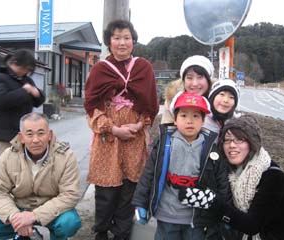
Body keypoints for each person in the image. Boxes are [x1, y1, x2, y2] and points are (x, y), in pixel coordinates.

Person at [84, 19, 159, 240]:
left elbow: (151, 104)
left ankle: (122, 233)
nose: (122, 42)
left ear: (133, 41)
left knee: (129, 190)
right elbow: (91, 107)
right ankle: (101, 232)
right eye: (116, 38)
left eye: (126, 37)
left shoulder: (143, 68)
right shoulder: (100, 70)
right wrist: (113, 129)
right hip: (107, 139)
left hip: (134, 139)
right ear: (109, 41)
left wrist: (138, 125)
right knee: (106, 191)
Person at [132, 92, 230, 240]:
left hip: (196, 218)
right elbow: (149, 174)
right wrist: (140, 203)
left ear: (203, 120)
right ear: (175, 120)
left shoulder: (210, 148)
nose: (189, 121)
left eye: (196, 116)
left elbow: (221, 180)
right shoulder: (165, 143)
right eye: (184, 116)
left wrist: (225, 211)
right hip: (167, 214)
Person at [195, 114, 284, 240]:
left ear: (252, 143)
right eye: (227, 140)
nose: (232, 145)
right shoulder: (230, 174)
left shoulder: (273, 177)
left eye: (239, 139)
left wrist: (213, 203)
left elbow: (252, 225)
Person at [0, 112, 82, 240]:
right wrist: (14, 216)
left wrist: (34, 216)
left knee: (69, 222)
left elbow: (70, 194)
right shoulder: (8, 156)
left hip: (51, 211)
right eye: (29, 134)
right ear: (21, 137)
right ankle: (23, 234)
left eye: (41, 133)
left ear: (50, 135)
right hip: (19, 207)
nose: (35, 140)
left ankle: (56, 236)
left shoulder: (65, 157)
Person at [0, 49, 45, 162]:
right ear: (16, 64)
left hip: (22, 133)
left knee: (21, 169)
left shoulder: (25, 80)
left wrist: (37, 93)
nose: (26, 72)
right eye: (26, 69)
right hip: (3, 134)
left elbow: (38, 101)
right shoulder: (0, 77)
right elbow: (0, 100)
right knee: (2, 168)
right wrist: (24, 91)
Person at [161, 55, 214, 124]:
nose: (195, 84)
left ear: (208, 79)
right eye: (189, 78)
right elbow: (167, 129)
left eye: (200, 77)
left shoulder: (219, 100)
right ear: (183, 80)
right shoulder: (173, 100)